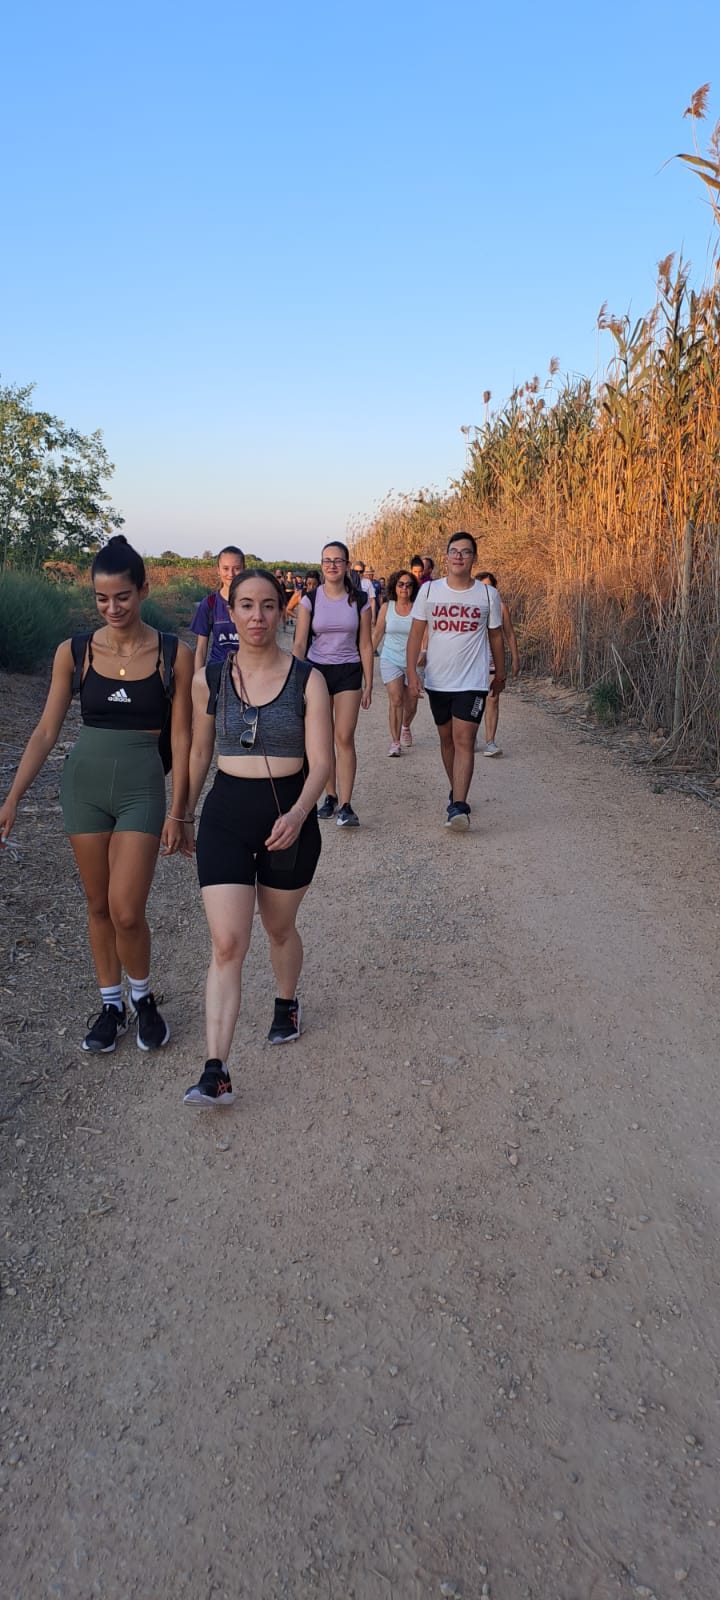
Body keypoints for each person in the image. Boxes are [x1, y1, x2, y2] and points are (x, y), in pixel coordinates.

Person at [0, 534, 194, 1051]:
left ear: (144, 590)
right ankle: (111, 1003)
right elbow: (45, 730)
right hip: (83, 787)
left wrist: (181, 810)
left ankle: (143, 996)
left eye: (122, 597)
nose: (112, 608)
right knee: (98, 904)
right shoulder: (76, 651)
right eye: (101, 599)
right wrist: (14, 796)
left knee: (128, 907)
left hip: (142, 788)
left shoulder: (174, 653)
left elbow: (183, 736)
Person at [182, 570, 332, 1107]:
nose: (257, 617)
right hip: (225, 814)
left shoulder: (307, 679)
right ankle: (216, 1070)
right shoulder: (211, 678)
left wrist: (296, 814)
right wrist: (181, 814)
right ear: (231, 608)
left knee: (278, 927)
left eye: (268, 606)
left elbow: (322, 764)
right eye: (246, 605)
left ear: (281, 612)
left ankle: (286, 1002)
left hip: (287, 817)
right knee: (227, 944)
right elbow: (200, 753)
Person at [406, 531, 505, 830]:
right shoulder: (429, 592)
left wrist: (500, 674)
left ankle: (459, 807)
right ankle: (455, 792)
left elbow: (496, 637)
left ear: (474, 558)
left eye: (465, 551)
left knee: (465, 740)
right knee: (446, 739)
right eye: (454, 551)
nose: (459, 556)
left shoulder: (487, 595)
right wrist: (412, 673)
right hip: (438, 680)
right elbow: (415, 633)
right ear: (447, 557)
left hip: (472, 681)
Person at [293, 541, 373, 827]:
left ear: (347, 565)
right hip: (316, 671)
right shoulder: (309, 600)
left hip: (349, 671)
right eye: (327, 560)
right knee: (322, 738)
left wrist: (370, 683)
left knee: (344, 736)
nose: (332, 565)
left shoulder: (360, 601)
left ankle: (347, 805)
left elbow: (365, 644)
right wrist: (294, 680)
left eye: (338, 560)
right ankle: (330, 795)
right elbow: (300, 642)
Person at [372, 569, 422, 755]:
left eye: (408, 585)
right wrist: (366, 656)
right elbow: (377, 633)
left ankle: (406, 726)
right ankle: (395, 742)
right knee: (396, 698)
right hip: (390, 657)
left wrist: (424, 652)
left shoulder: (418, 608)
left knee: (412, 702)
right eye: (401, 584)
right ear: (395, 586)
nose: (404, 588)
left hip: (413, 661)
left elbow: (425, 634)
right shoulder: (387, 607)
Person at [476, 571, 520, 755]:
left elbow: (509, 633)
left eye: (490, 586)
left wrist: (515, 658)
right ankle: (469, 737)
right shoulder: (472, 607)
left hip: (494, 659)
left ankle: (490, 741)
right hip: (474, 660)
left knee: (493, 699)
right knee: (475, 701)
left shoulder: (501, 608)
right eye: (483, 587)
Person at [189, 546, 245, 669]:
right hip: (218, 671)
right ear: (218, 570)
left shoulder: (253, 603)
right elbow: (201, 649)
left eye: (236, 569)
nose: (231, 574)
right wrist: (198, 681)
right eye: (225, 568)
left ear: (244, 570)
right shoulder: (209, 603)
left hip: (248, 673)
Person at [350, 559, 377, 623]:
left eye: (361, 571)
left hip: (365, 614)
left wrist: (373, 617)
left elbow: (372, 600)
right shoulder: (349, 582)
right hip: (352, 614)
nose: (358, 573)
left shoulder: (368, 582)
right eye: (356, 571)